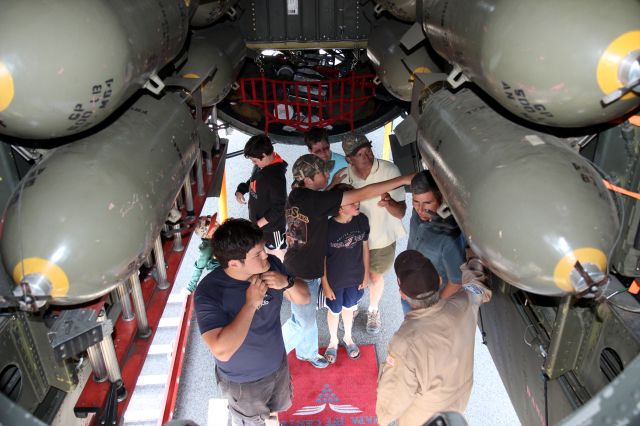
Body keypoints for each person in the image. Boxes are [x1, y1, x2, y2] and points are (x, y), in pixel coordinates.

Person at [282, 154, 414, 368]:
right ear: (307, 181)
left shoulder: (297, 195)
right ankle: (271, 358)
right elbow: (364, 192)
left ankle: (307, 352)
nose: (327, 174)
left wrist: (331, 186)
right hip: (303, 274)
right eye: (322, 173)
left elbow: (319, 200)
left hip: (298, 267)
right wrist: (404, 179)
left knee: (306, 320)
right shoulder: (316, 201)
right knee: (302, 322)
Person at [194, 218, 310, 426]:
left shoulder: (271, 266)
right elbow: (221, 350)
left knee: (276, 409)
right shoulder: (209, 291)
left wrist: (287, 283)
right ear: (234, 264)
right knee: (250, 421)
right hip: (243, 382)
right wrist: (250, 304)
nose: (267, 255)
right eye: (258, 254)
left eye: (264, 248)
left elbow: (304, 298)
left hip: (278, 365)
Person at [376, 250, 492, 426]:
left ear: (402, 293)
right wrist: (475, 258)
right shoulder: (463, 305)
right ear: (439, 280)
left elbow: (391, 404)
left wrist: (382, 417)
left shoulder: (405, 343)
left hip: (424, 419)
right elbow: (476, 287)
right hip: (458, 402)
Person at [342, 133, 407, 334]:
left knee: (375, 277)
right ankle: (352, 304)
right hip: (354, 240)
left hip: (382, 238)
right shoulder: (345, 176)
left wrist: (389, 203)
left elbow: (401, 212)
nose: (367, 156)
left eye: (368, 150)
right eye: (360, 154)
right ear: (349, 159)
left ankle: (373, 309)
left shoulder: (389, 170)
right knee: (354, 276)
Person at [321, 183, 369, 363]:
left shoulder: (362, 220)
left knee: (350, 308)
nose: (357, 203)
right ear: (339, 208)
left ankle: (348, 337)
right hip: (334, 280)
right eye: (352, 202)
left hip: (355, 277)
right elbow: (322, 258)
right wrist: (325, 284)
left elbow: (365, 248)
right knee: (334, 311)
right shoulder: (326, 228)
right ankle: (333, 341)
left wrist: (365, 275)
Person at [404, 171, 466, 312]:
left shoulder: (450, 238)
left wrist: (433, 310)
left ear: (442, 198)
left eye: (427, 203)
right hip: (409, 291)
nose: (420, 209)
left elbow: (456, 281)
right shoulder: (417, 213)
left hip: (429, 302)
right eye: (415, 201)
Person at [235, 134, 288, 260]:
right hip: (259, 225)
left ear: (264, 155)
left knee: (278, 254)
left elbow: (279, 208)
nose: (254, 164)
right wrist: (241, 190)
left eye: (254, 161)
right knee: (263, 250)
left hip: (272, 229)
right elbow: (254, 180)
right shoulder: (261, 165)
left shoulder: (275, 178)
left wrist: (258, 224)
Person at [186, 214, 220, 293]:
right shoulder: (207, 249)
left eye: (215, 222)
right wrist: (191, 286)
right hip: (222, 269)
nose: (217, 224)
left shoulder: (219, 234)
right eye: (213, 225)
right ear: (207, 235)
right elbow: (199, 267)